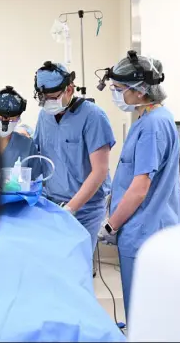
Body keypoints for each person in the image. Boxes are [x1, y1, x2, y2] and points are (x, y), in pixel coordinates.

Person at [97, 51, 180, 321]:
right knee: (148, 309)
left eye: (120, 89)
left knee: (144, 313)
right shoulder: (152, 119)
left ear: (140, 91)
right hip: (148, 229)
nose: (116, 94)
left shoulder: (153, 126)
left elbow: (140, 188)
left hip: (144, 232)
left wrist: (111, 225)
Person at [33, 61, 116, 254]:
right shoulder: (44, 116)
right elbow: (39, 155)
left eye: (52, 97)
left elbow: (100, 171)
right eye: (43, 98)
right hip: (52, 204)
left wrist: (71, 208)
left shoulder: (93, 116)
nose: (47, 103)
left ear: (69, 89)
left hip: (85, 209)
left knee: (77, 266)